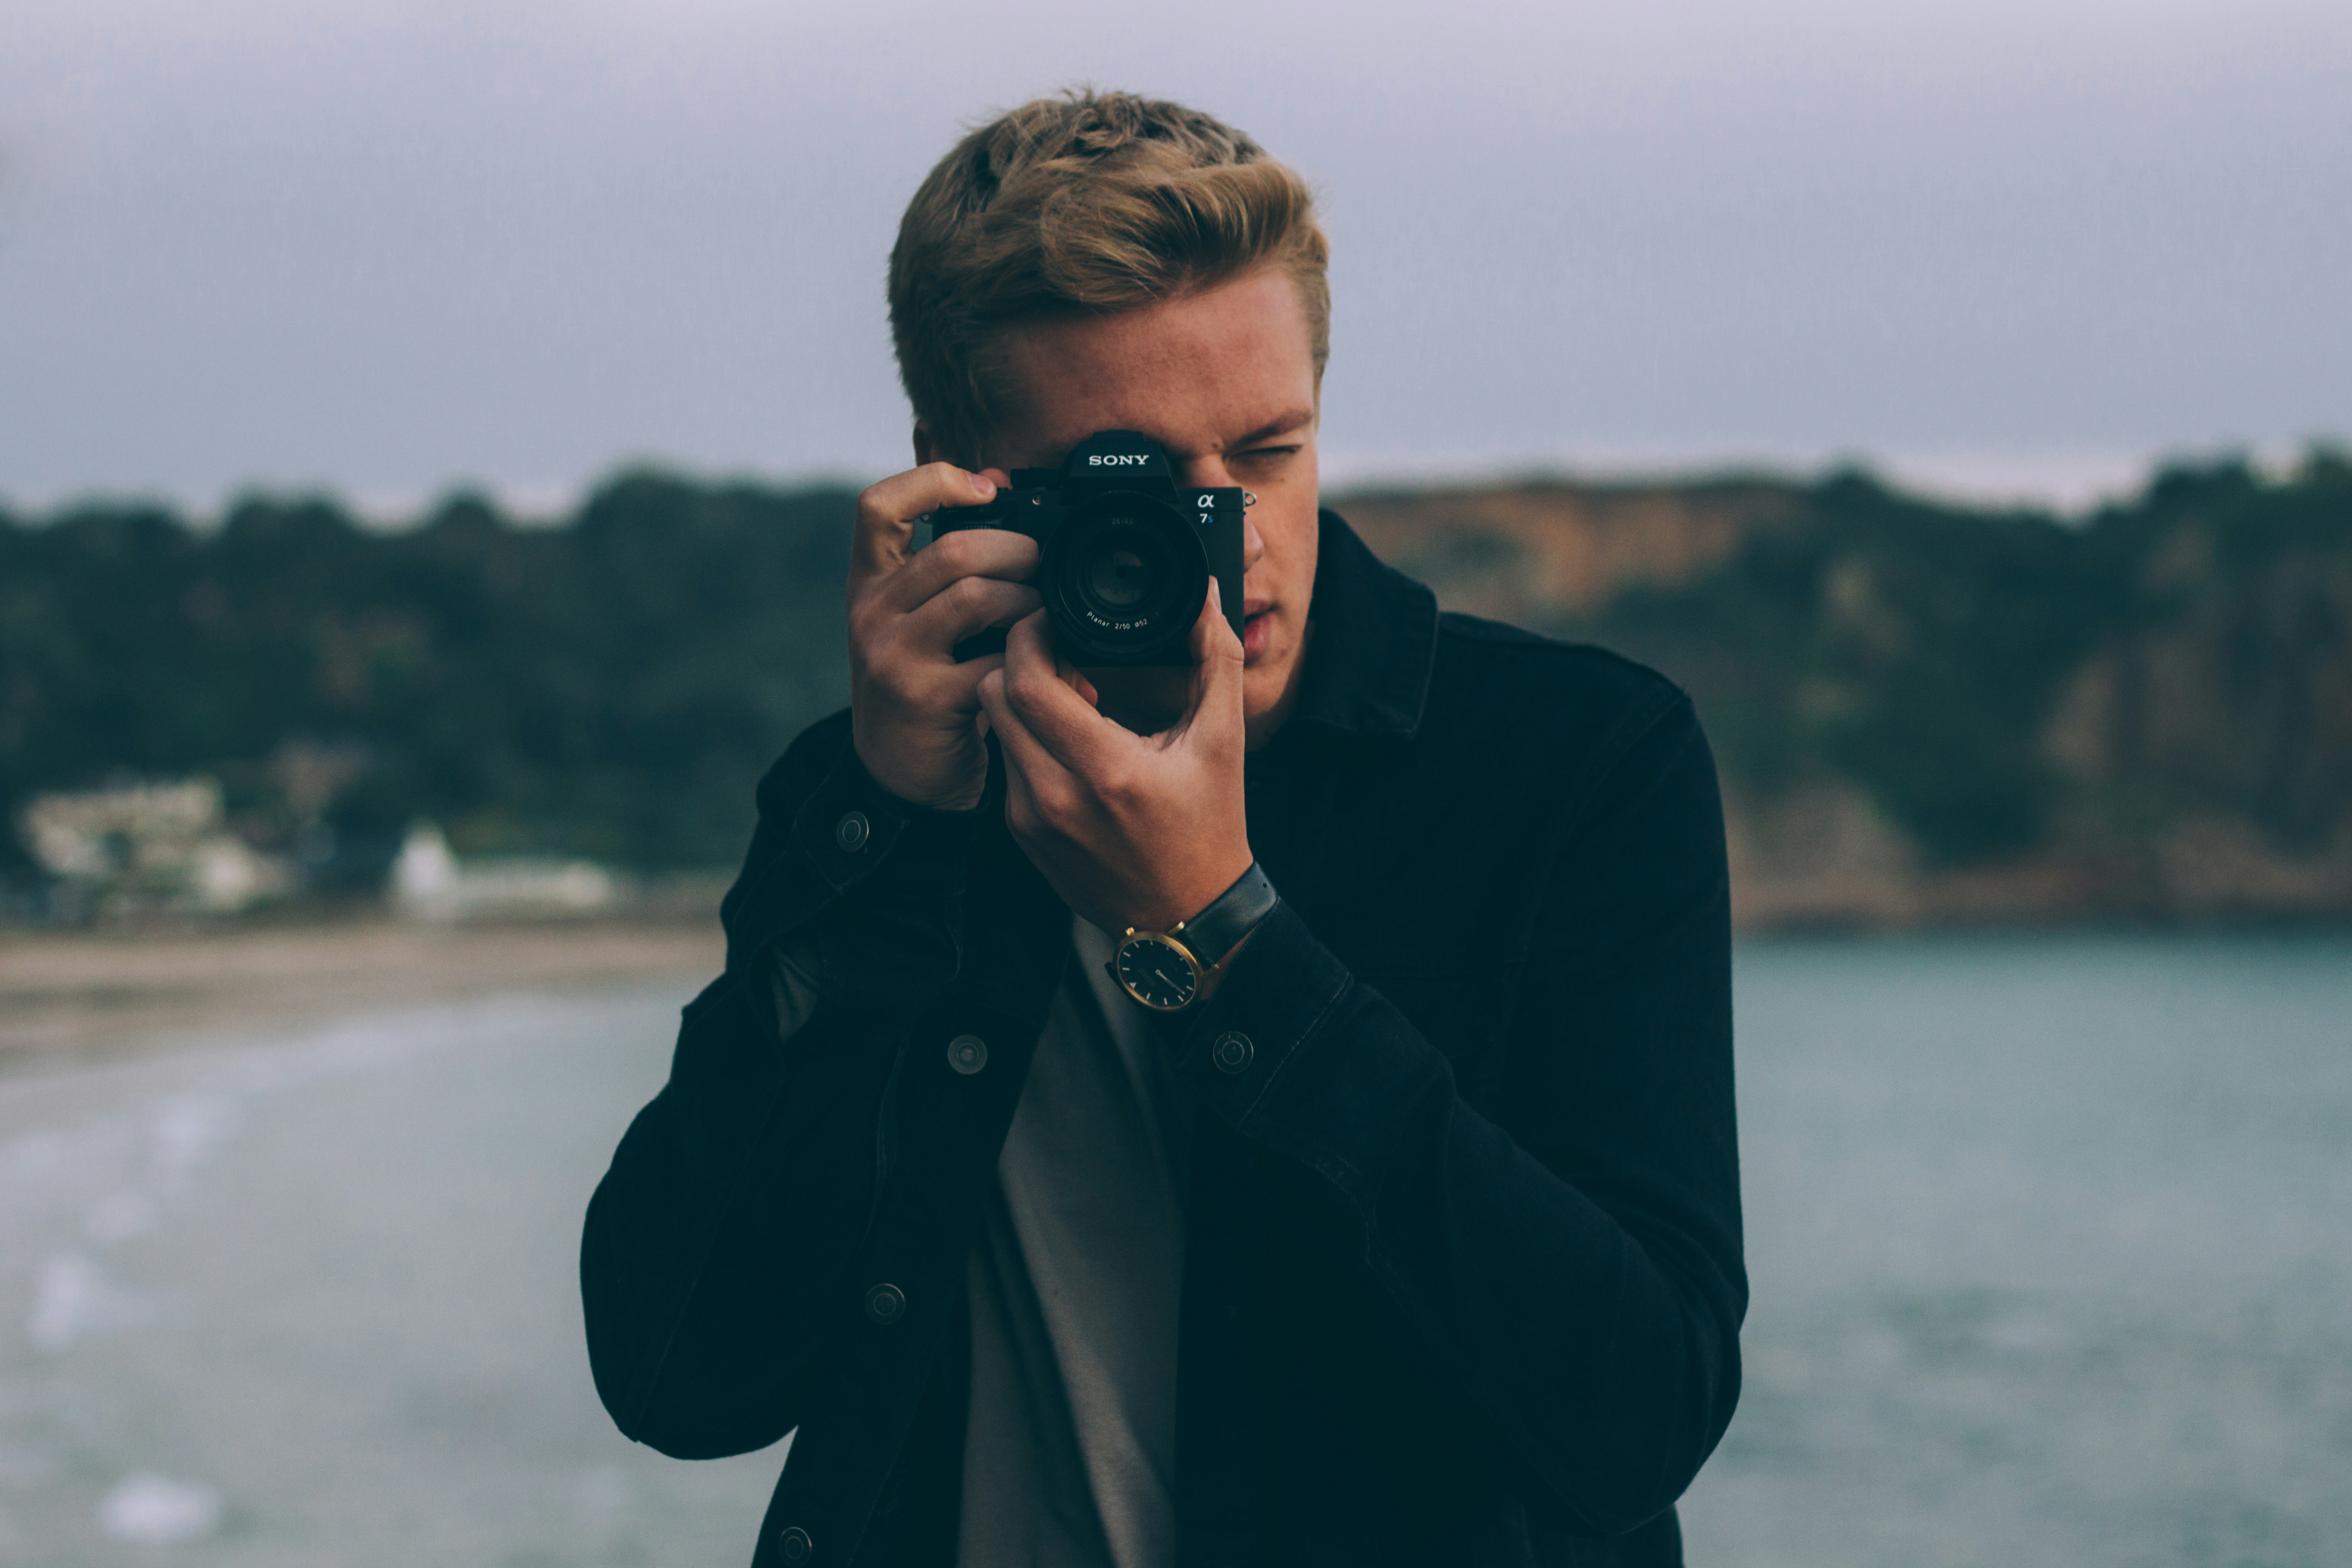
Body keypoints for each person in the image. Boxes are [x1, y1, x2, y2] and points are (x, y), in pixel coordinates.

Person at [581, 90, 1743, 1568]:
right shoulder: (871, 791)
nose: (1233, 542)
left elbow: (1637, 1417)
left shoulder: (1572, 762)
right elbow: (680, 1375)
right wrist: (884, 831)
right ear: (960, 470)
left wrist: (1215, 932)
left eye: (1265, 450)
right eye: (1135, 483)